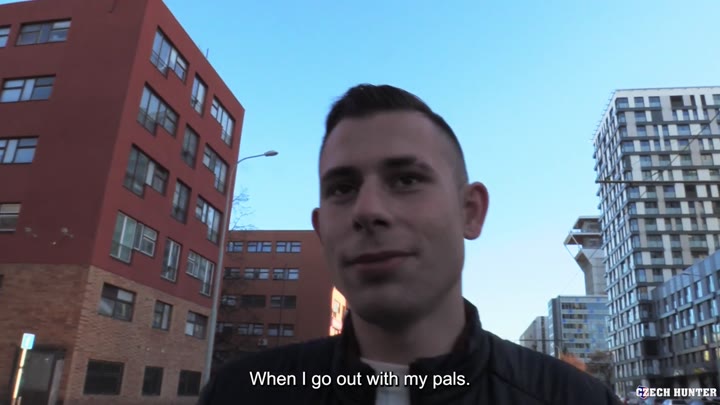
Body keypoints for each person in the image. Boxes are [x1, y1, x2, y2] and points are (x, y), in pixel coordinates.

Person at [197, 84, 621, 405]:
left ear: (470, 211)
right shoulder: (238, 394)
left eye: (405, 180)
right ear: (321, 230)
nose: (367, 210)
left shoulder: (574, 399)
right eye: (342, 188)